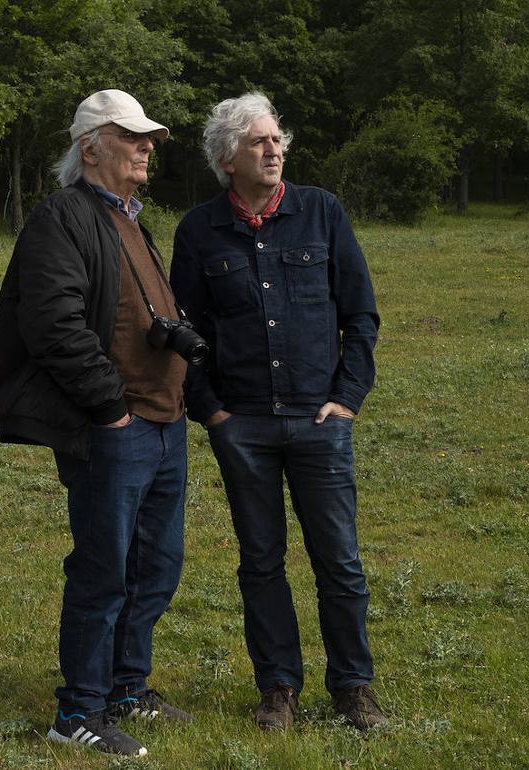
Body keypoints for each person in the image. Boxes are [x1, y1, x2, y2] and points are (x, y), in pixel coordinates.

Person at [169, 92, 387, 731]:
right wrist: (212, 413)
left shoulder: (321, 212)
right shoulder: (199, 230)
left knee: (339, 559)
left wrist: (346, 398)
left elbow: (361, 315)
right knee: (260, 561)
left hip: (320, 423)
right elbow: (187, 331)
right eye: (258, 142)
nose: (273, 149)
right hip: (244, 427)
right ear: (225, 158)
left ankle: (353, 688)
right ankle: (278, 690)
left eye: (276, 139)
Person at [0, 89, 193, 758]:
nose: (146, 147)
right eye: (131, 136)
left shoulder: (130, 219)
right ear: (90, 147)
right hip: (117, 428)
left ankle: (126, 689)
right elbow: (53, 325)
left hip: (164, 426)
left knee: (157, 567)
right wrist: (109, 409)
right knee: (105, 571)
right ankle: (76, 711)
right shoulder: (64, 218)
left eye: (148, 138)